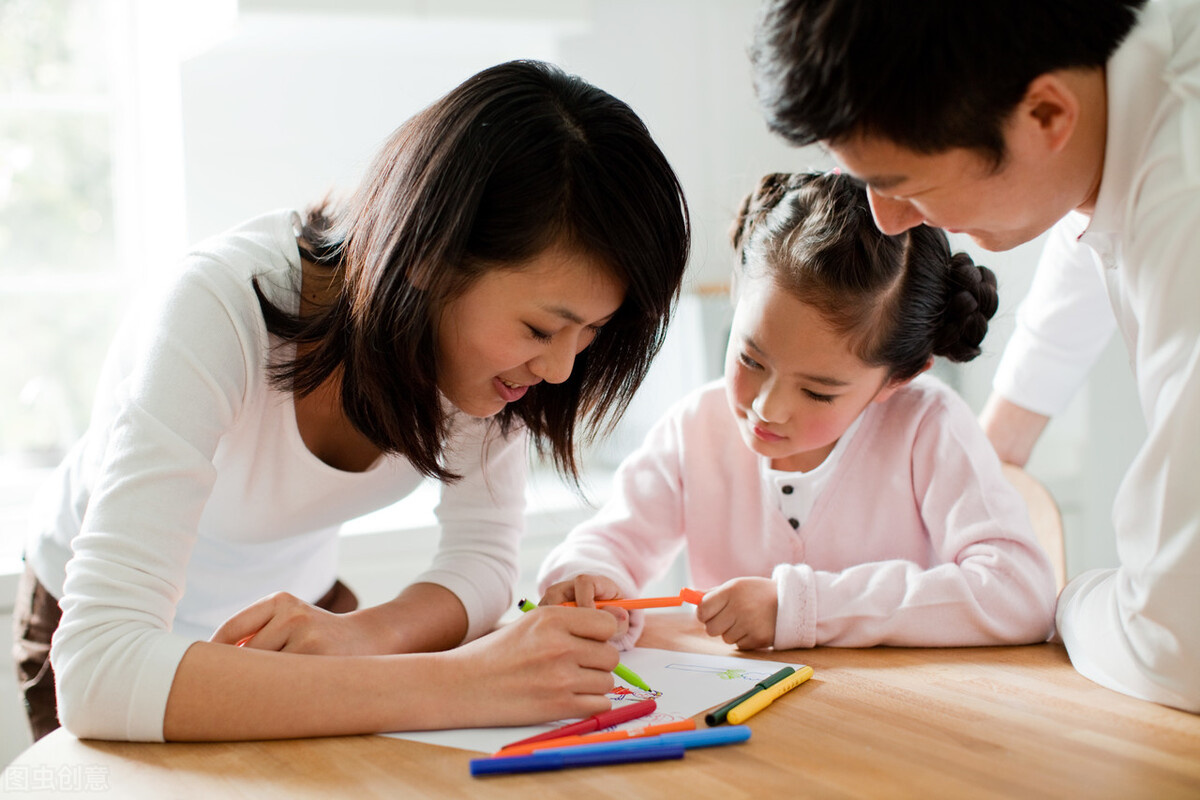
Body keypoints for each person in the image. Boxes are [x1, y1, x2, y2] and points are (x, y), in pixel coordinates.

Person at [13, 59, 690, 742]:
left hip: (302, 624)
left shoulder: (487, 365)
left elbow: (484, 557)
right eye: (540, 328)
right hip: (103, 622)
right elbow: (101, 672)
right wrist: (468, 682)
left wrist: (368, 634)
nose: (559, 367)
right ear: (430, 256)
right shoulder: (218, 309)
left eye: (591, 332)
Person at [748, 0, 1200, 712]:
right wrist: (1000, 449)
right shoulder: (1116, 98)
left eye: (903, 185)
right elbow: (1087, 236)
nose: (886, 220)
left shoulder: (1188, 199)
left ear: (1046, 115)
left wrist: (1068, 600)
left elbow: (1178, 648)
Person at [536, 171, 1057, 652]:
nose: (767, 407)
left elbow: (1020, 593)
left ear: (897, 379)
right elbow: (611, 542)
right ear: (739, 296)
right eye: (750, 359)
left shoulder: (927, 427)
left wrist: (802, 609)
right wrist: (590, 575)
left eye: (818, 393)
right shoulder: (697, 427)